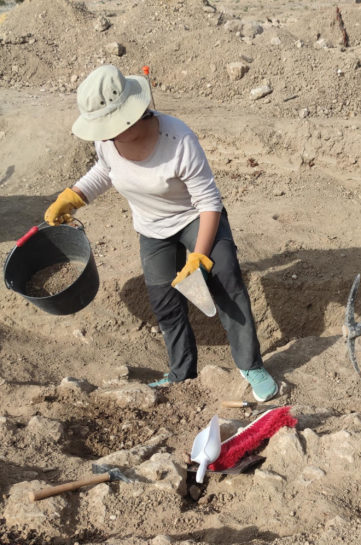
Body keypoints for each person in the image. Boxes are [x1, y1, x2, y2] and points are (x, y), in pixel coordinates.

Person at [44, 64, 278, 402]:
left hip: (196, 216)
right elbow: (105, 170)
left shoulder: (179, 140)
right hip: (152, 228)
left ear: (133, 115)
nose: (105, 135)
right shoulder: (106, 141)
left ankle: (250, 364)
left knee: (224, 277)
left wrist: (199, 256)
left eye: (110, 127)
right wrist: (74, 196)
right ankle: (182, 374)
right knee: (165, 301)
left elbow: (209, 203)